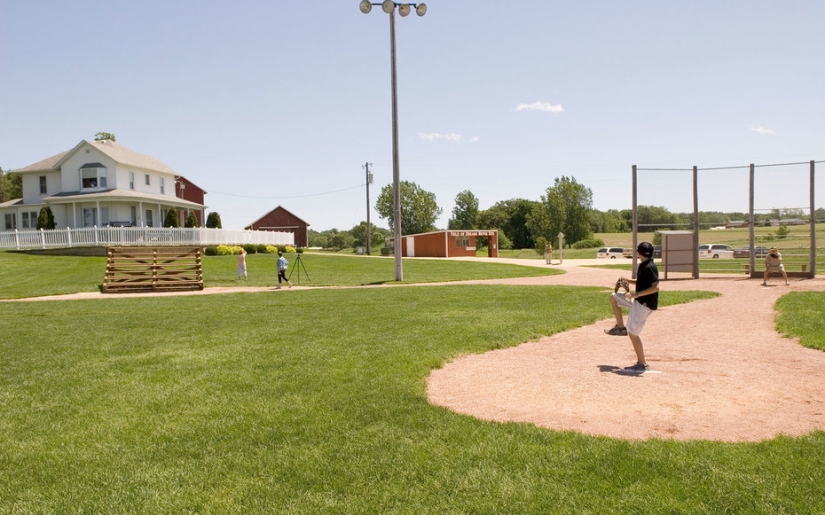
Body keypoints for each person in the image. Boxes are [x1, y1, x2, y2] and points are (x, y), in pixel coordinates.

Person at [604, 241, 660, 372]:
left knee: (633, 333)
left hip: (644, 305)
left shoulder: (649, 267)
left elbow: (655, 288)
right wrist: (629, 281)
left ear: (638, 253)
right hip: (639, 300)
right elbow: (642, 282)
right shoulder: (644, 265)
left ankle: (642, 363)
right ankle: (620, 327)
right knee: (614, 296)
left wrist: (635, 294)